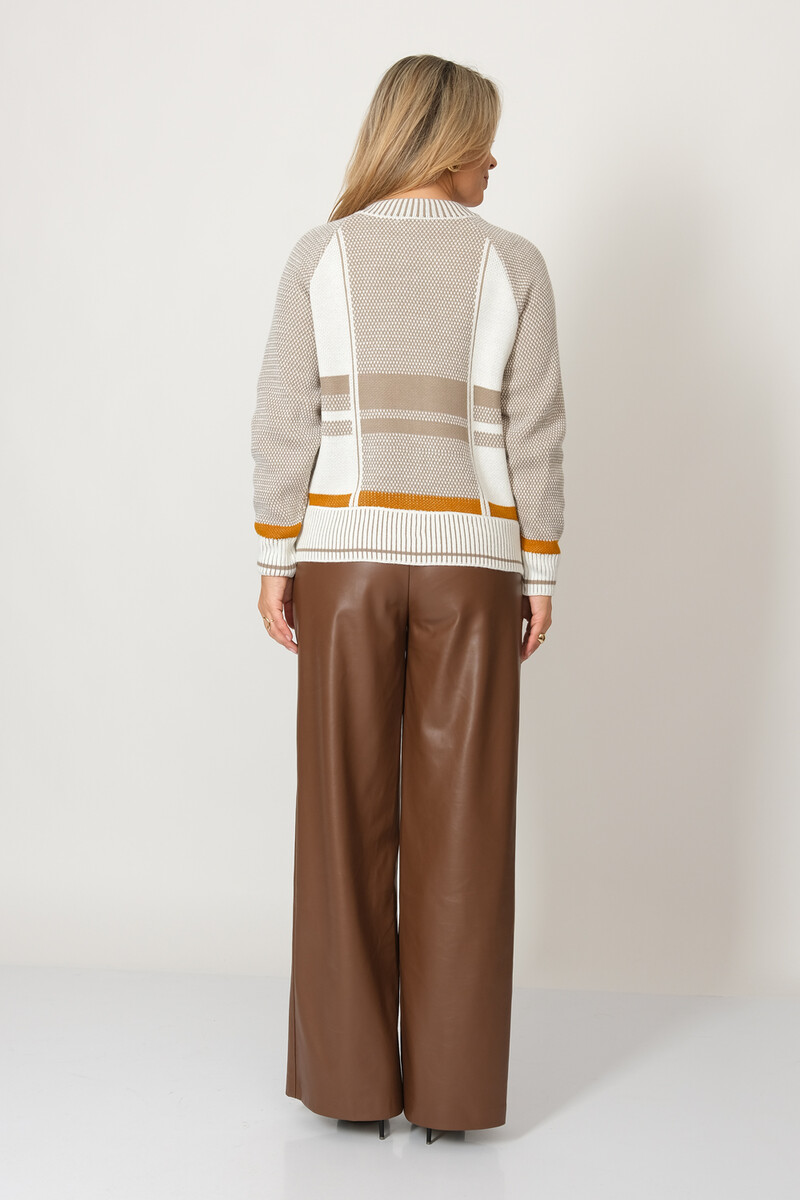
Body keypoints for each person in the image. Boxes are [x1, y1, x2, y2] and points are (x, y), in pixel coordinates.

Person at [250, 54, 566, 1144]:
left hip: (342, 563)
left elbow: (283, 414)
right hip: (474, 569)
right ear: (448, 141)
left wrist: (276, 553)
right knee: (465, 830)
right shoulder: (513, 262)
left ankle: (350, 1090)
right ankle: (452, 1101)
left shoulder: (322, 254)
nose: (494, 161)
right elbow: (535, 431)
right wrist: (540, 570)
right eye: (485, 140)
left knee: (340, 823)